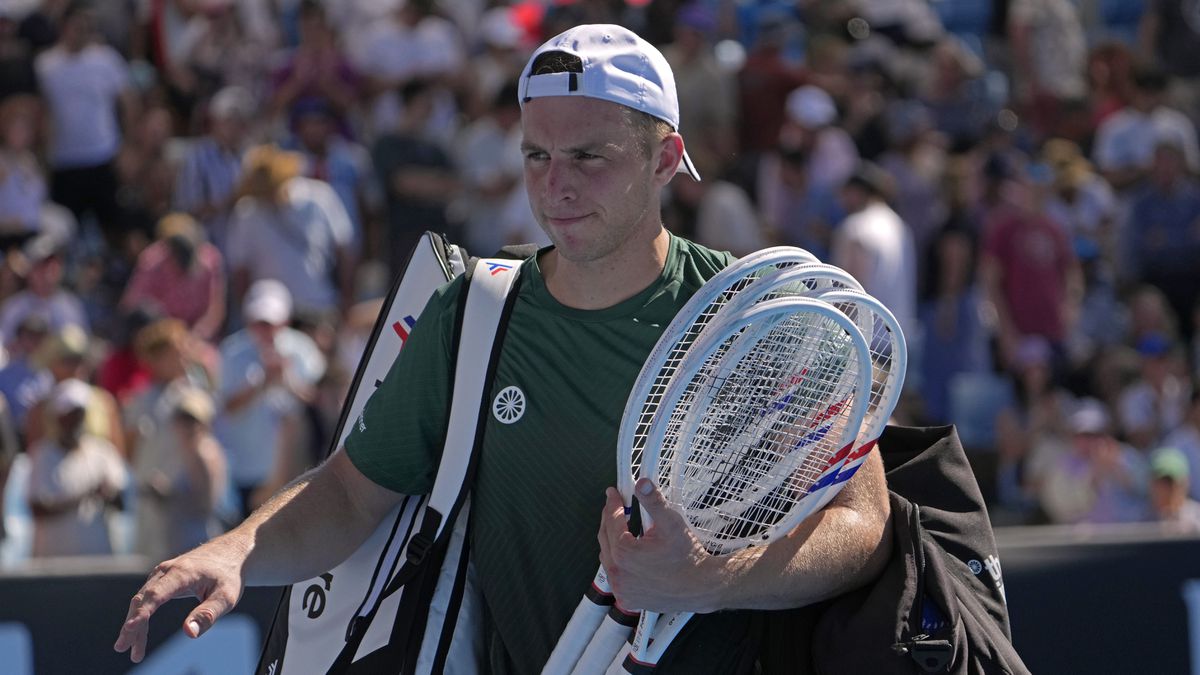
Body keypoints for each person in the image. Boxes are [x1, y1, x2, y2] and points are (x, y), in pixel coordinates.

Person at [115, 25, 892, 671]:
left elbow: (864, 525)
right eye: (535, 156)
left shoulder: (753, 313)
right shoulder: (475, 309)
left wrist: (708, 580)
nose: (556, 184)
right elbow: (351, 493)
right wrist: (237, 552)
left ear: (663, 158)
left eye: (589, 156)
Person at [27, 378, 127, 557]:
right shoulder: (41, 455)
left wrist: (108, 493)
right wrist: (83, 495)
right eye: (68, 414)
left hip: (98, 559)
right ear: (57, 417)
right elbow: (37, 510)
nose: (74, 420)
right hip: (52, 564)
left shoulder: (103, 452)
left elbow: (121, 503)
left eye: (78, 413)